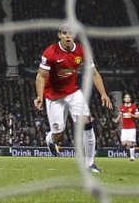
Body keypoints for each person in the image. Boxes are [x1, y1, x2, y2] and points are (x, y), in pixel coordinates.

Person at [34, 26, 113, 174]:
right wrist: (39, 96)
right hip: (54, 96)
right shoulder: (50, 52)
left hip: (73, 92)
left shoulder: (82, 51)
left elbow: (94, 74)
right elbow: (41, 76)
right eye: (65, 33)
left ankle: (90, 164)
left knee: (87, 123)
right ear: (59, 35)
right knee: (59, 132)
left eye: (71, 33)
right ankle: (50, 139)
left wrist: (104, 93)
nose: (68, 36)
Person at [115, 92, 139, 161]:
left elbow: (138, 116)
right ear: (124, 99)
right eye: (126, 97)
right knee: (123, 142)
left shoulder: (133, 107)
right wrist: (117, 119)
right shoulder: (122, 107)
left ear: (130, 99)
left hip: (132, 127)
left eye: (128, 97)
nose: (127, 98)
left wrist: (132, 115)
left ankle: (132, 157)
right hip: (124, 128)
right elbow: (120, 115)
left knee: (130, 143)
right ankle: (130, 151)